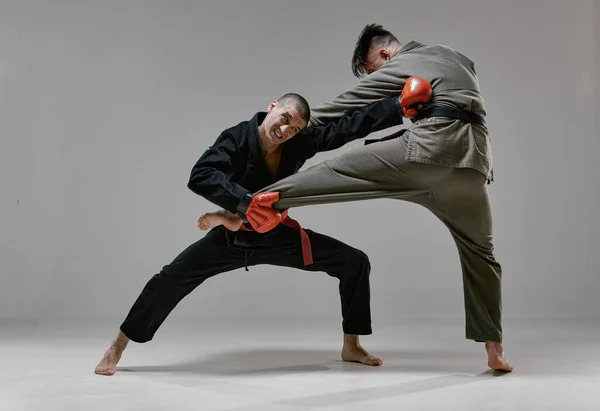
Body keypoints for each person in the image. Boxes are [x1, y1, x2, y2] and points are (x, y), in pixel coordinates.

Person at [243, 24, 513, 372]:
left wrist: (275, 128)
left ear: (385, 55)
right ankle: (495, 349)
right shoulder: (454, 55)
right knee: (482, 254)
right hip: (473, 165)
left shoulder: (404, 62)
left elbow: (343, 105)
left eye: (374, 70)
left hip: (426, 153)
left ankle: (248, 202)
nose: (378, 77)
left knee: (337, 171)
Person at [94, 92, 407, 376]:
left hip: (277, 236)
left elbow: (346, 128)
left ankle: (351, 346)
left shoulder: (297, 142)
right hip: (232, 237)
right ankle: (118, 345)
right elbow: (201, 175)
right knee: (169, 279)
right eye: (284, 119)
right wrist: (244, 203)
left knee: (354, 262)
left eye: (294, 128)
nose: (285, 130)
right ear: (272, 107)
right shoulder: (235, 139)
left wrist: (397, 106)